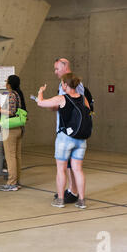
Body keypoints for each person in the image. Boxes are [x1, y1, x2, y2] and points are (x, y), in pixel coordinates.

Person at [37, 73, 89, 209]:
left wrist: (40, 92)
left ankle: (60, 200)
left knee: (61, 169)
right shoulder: (84, 99)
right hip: (81, 139)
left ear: (65, 85)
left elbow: (40, 103)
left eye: (62, 84)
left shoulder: (62, 98)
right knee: (78, 170)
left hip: (65, 138)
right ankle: (81, 201)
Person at [52, 58, 85, 203]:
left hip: (70, 132)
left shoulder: (74, 85)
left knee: (70, 166)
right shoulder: (63, 84)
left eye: (57, 69)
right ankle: (72, 190)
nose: (55, 72)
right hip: (67, 130)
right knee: (72, 166)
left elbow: (78, 107)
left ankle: (73, 192)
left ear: (65, 67)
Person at [0, 75, 27, 192]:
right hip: (18, 128)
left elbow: (11, 112)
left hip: (10, 129)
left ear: (9, 84)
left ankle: (11, 183)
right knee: (17, 156)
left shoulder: (11, 95)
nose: (5, 82)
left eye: (6, 81)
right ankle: (17, 181)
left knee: (10, 156)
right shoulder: (19, 94)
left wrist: (0, 110)